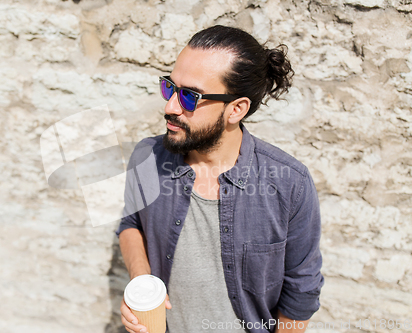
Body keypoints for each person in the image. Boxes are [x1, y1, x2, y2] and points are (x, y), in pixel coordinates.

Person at [115, 25, 324, 333]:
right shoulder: (148, 158)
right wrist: (142, 285)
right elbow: (132, 224)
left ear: (236, 109)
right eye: (170, 88)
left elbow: (301, 291)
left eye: (189, 96)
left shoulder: (289, 183)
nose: (170, 106)